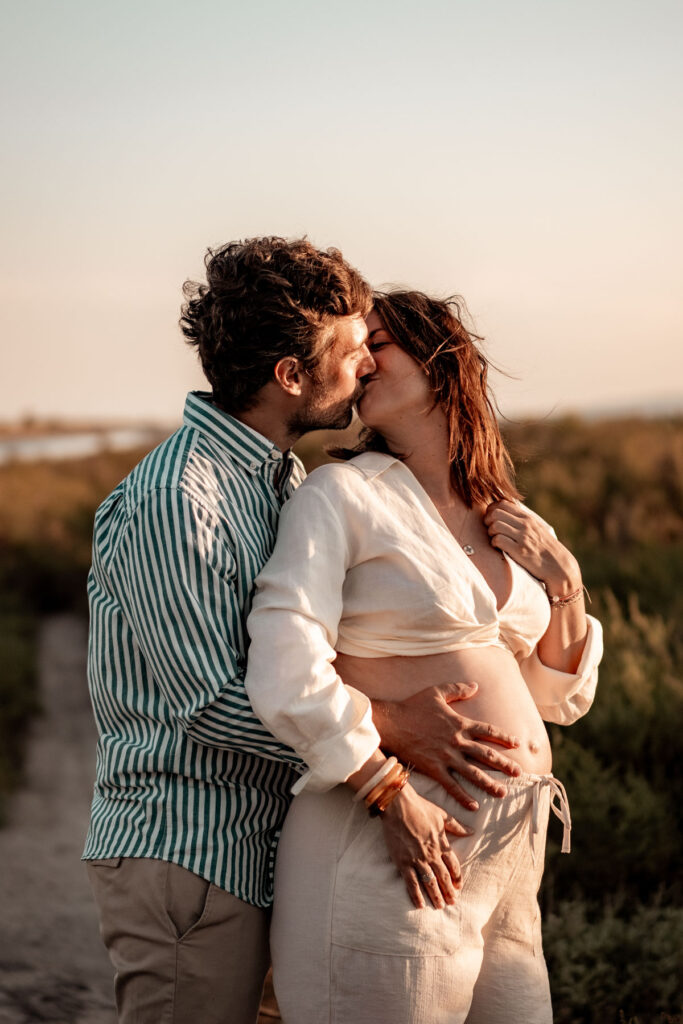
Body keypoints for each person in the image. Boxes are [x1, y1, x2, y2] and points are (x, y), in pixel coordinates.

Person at [82, 242, 524, 1024]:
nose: (364, 368)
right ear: (290, 375)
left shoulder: (276, 478)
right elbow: (210, 702)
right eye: (353, 350)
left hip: (265, 846)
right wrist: (390, 742)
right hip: (189, 850)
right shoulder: (179, 499)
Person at [245, 289, 603, 1024]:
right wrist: (387, 791)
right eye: (353, 347)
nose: (359, 359)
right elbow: (285, 664)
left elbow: (557, 698)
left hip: (507, 866)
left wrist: (564, 581)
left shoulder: (507, 513)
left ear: (441, 362)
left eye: (378, 341)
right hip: (392, 848)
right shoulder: (340, 494)